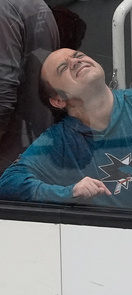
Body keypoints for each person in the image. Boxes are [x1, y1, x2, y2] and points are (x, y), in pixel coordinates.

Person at [0, 48, 132, 211]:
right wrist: (68, 193)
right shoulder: (57, 141)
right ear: (58, 100)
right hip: (108, 239)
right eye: (63, 68)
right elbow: (8, 182)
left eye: (78, 55)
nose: (75, 61)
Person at [0, 0, 58, 172]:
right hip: (35, 144)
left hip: (12, 151)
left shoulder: (4, 8)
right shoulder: (34, 3)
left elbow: (3, 88)